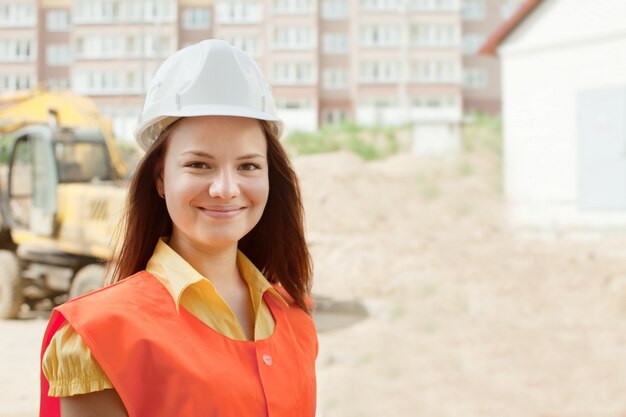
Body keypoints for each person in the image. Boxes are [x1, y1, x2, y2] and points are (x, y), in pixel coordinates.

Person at [39, 39, 317, 417]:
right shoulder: (100, 335)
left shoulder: (294, 318)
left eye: (248, 166)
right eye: (199, 165)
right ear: (160, 178)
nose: (225, 189)